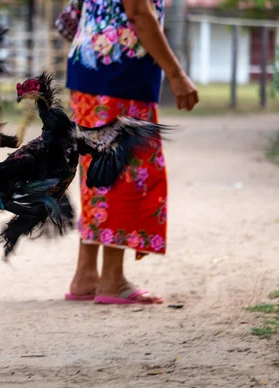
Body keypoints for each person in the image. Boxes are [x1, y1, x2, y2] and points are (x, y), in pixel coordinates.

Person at [65, 0, 198, 304]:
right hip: (121, 73)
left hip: (90, 66)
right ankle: (112, 278)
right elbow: (138, 12)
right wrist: (176, 74)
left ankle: (86, 275)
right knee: (123, 171)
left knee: (96, 167)